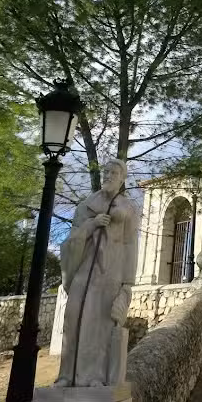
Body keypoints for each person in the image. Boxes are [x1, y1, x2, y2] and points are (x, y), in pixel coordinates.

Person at [55, 158, 138, 387]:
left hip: (111, 271)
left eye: (114, 173)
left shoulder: (129, 209)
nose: (108, 176)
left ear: (122, 179)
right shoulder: (85, 206)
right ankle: (66, 375)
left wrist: (127, 284)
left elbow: (131, 246)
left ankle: (95, 376)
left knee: (101, 324)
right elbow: (71, 239)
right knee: (73, 316)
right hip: (84, 269)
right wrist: (91, 224)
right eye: (106, 171)